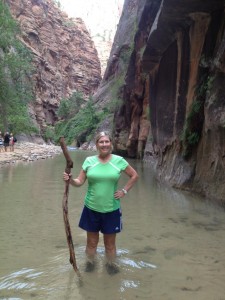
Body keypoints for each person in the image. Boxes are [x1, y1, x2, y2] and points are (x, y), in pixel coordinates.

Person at [63, 131, 138, 274]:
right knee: (91, 243)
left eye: (107, 141)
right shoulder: (89, 161)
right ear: (96, 145)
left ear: (111, 143)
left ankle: (110, 265)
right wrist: (70, 180)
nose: (104, 144)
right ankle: (90, 265)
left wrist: (124, 191)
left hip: (112, 209)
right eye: (101, 142)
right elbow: (79, 182)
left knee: (110, 245)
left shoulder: (119, 161)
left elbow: (134, 175)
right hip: (91, 208)